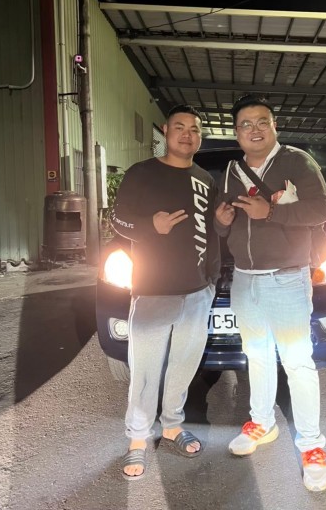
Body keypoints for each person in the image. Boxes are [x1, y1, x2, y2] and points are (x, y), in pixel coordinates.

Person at [214, 94, 326, 492]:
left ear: (274, 126)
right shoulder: (231, 171)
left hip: (286, 279)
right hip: (245, 280)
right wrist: (221, 221)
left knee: (297, 363)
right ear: (237, 132)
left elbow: (320, 210)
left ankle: (312, 447)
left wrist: (272, 212)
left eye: (261, 121)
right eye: (245, 124)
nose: (254, 129)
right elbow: (224, 226)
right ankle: (262, 423)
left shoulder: (297, 162)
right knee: (258, 356)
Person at [111, 104, 220, 481]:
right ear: (165, 131)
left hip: (197, 293)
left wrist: (210, 281)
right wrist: (150, 225)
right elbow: (117, 219)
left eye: (194, 129)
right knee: (145, 372)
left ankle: (172, 426)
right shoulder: (142, 173)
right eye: (180, 127)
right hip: (153, 292)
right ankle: (138, 439)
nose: (188, 134)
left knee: (182, 368)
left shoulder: (204, 179)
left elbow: (211, 232)